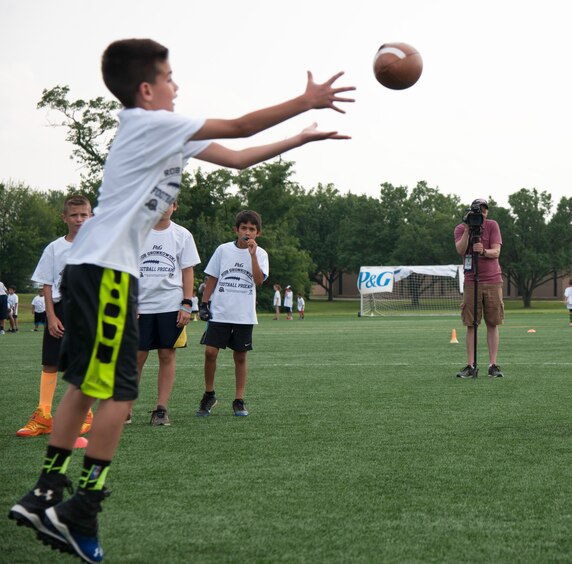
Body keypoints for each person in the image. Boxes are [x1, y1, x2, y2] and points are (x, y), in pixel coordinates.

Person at [9, 38, 354, 563]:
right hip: (106, 274)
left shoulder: (160, 133)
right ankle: (79, 510)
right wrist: (303, 102)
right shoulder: (150, 123)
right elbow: (238, 128)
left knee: (85, 386)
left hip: (92, 271)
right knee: (120, 394)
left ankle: (46, 494)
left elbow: (237, 158)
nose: (177, 85)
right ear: (146, 90)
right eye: (169, 77)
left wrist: (297, 141)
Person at [15, 195, 95, 438]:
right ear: (64, 217)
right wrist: (50, 316)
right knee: (50, 361)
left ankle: (84, 414)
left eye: (83, 214)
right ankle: (43, 415)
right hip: (61, 311)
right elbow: (47, 284)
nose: (79, 219)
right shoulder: (54, 247)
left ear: (91, 216)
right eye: (74, 215)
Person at [197, 210, 269, 418]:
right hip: (220, 311)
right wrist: (204, 303)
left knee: (240, 356)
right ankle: (209, 394)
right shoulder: (223, 250)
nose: (247, 232)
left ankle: (239, 399)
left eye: (252, 229)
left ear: (258, 233)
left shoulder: (261, 254)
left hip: (243, 314)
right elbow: (212, 278)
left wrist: (253, 255)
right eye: (244, 228)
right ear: (236, 229)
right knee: (210, 352)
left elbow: (258, 280)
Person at [135, 201, 199, 426]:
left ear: (175, 206)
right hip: (141, 306)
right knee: (137, 356)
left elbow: (187, 271)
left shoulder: (182, 235)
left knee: (166, 354)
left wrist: (186, 303)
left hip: (171, 305)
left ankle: (160, 409)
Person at [454, 198, 504, 378]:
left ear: (487, 212)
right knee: (471, 324)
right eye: (478, 211)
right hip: (470, 280)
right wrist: (467, 230)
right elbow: (460, 250)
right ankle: (470, 365)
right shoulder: (461, 228)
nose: (481, 214)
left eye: (484, 210)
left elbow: (496, 252)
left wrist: (483, 251)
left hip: (492, 280)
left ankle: (493, 364)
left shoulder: (492, 226)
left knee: (492, 322)